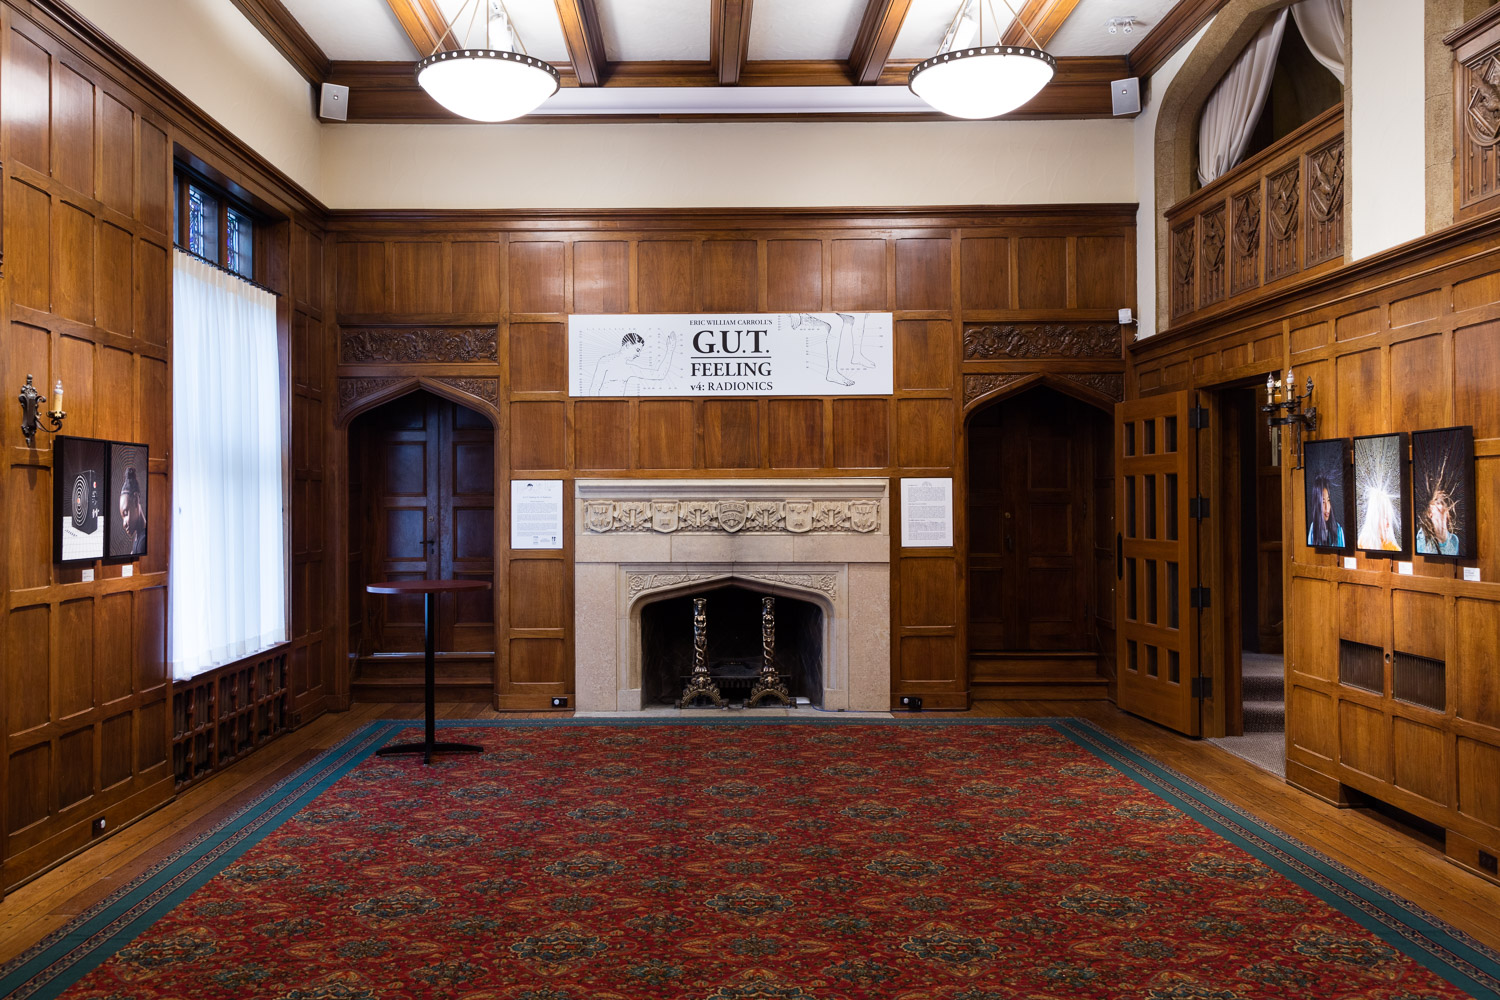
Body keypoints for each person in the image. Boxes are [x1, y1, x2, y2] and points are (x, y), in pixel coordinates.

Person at [587, 331, 676, 395]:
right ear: (628, 345)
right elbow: (594, 390)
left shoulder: (629, 368)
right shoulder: (605, 361)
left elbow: (659, 375)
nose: (638, 354)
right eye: (637, 350)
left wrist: (670, 350)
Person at [1415, 488, 1461, 556]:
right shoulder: (1422, 538)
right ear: (1429, 514)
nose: (1441, 507)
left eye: (1442, 503)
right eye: (1437, 502)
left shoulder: (1454, 540)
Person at [1306, 473, 1344, 548]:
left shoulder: (1338, 530)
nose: (1327, 507)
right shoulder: (1313, 529)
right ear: (1317, 504)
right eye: (1323, 502)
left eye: (1328, 500)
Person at [118, 466, 146, 555]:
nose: (124, 524)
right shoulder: (138, 537)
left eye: (125, 513)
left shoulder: (144, 541)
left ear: (136, 500)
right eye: (122, 517)